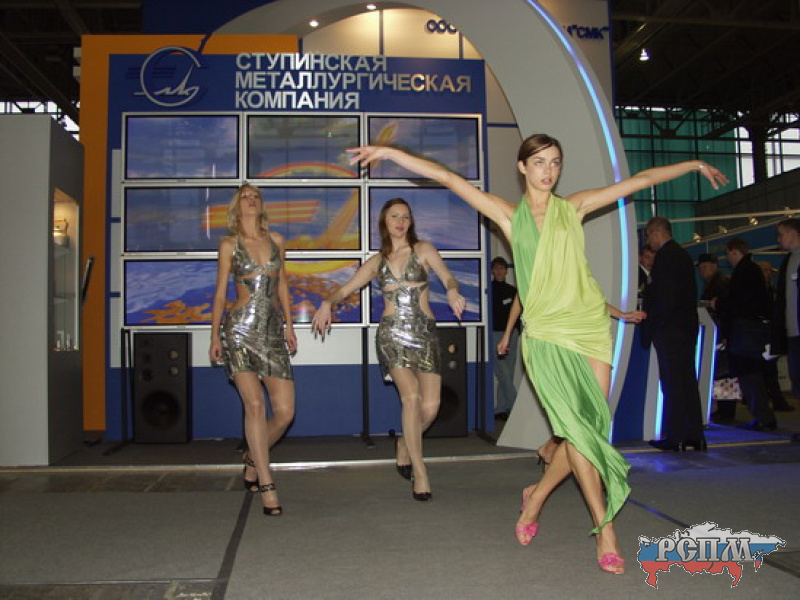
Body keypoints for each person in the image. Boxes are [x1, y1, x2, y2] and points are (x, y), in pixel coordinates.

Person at [346, 135, 727, 575]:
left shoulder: (575, 206)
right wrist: (390, 153)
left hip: (589, 327)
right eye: (540, 162)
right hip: (546, 334)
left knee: (587, 430)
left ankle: (537, 496)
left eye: (556, 162)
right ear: (523, 167)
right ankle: (605, 530)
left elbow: (639, 180)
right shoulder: (509, 216)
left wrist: (692, 164)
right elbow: (448, 178)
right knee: (579, 432)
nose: (549, 171)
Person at [311, 198, 465, 501]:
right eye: (395, 216)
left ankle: (405, 443)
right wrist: (328, 303)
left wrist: (452, 290)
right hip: (391, 335)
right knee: (411, 397)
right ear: (385, 221)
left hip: (424, 333)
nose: (400, 221)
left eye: (405, 216)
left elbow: (448, 276)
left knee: (431, 408)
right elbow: (346, 288)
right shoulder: (376, 261)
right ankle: (421, 472)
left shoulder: (424, 250)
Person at [209, 183, 297, 516]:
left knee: (285, 412)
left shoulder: (277, 241)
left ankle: (252, 458)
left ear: (261, 205)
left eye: (255, 196)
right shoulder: (229, 244)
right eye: (245, 196)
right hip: (240, 330)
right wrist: (215, 337)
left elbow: (283, 284)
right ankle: (267, 484)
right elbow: (220, 293)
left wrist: (289, 325)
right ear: (237, 206)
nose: (251, 199)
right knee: (255, 405)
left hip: (272, 331)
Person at [643, 217, 709, 452]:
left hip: (670, 329)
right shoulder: (682, 255)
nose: (648, 241)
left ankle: (676, 436)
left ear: (656, 232)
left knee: (672, 383)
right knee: (687, 381)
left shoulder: (665, 257)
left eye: (648, 236)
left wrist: (654, 323)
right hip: (685, 327)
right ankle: (694, 435)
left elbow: (664, 297)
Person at [713, 238, 776, 431]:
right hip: (750, 330)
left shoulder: (744, 271)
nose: (727, 258)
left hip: (744, 332)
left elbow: (737, 301)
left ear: (734, 251)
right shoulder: (751, 270)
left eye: (728, 254)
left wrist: (719, 304)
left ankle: (763, 417)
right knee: (751, 375)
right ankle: (763, 416)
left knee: (748, 375)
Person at [757, 259, 794, 412]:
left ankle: (774, 400)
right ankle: (776, 400)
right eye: (764, 270)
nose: (768, 273)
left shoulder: (772, 290)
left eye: (769, 270)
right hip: (762, 332)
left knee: (769, 369)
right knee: (768, 369)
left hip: (771, 331)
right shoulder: (759, 291)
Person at [772, 218, 800, 404]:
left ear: (793, 233)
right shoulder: (787, 262)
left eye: (780, 235)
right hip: (792, 334)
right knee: (796, 379)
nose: (778, 239)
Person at [491, 256, 520, 420]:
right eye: (496, 268)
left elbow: (520, 312)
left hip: (512, 335)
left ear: (507, 271)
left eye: (502, 268)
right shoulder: (488, 290)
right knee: (502, 371)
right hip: (495, 334)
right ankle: (515, 405)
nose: (499, 271)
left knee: (508, 370)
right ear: (492, 271)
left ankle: (502, 408)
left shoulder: (513, 291)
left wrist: (517, 331)